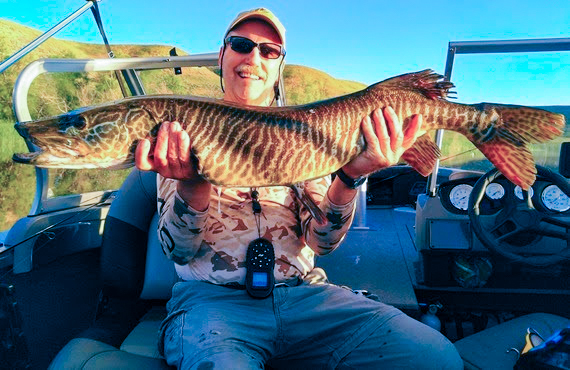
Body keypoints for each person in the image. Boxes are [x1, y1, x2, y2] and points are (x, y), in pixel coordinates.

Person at [136, 7, 463, 369]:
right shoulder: (179, 134)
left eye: (269, 51)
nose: (253, 57)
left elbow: (322, 242)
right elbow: (178, 251)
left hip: (307, 298)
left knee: (435, 357)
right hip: (214, 306)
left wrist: (350, 176)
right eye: (241, 44)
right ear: (222, 55)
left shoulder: (308, 132)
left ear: (279, 66)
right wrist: (191, 183)